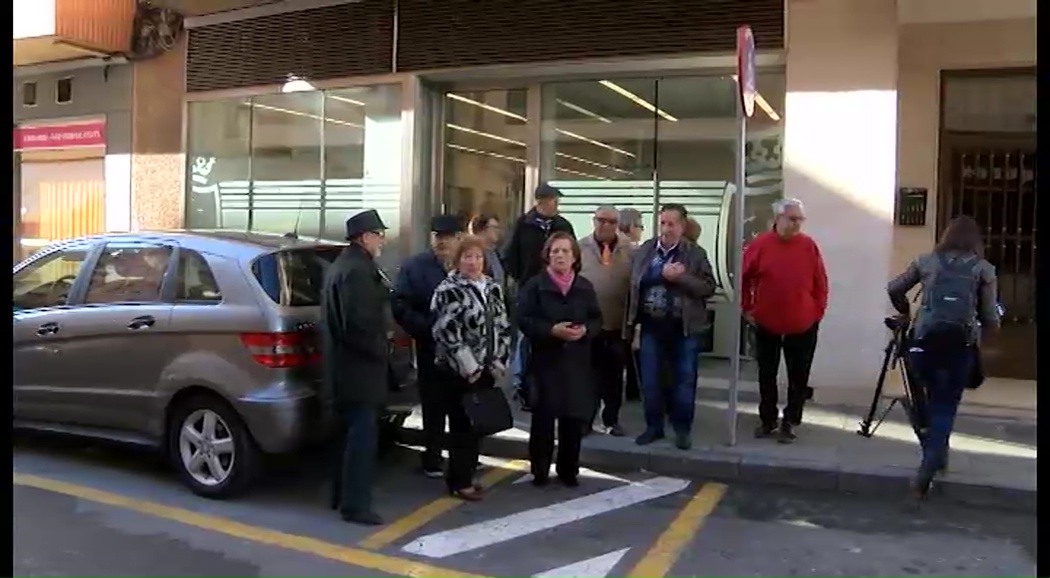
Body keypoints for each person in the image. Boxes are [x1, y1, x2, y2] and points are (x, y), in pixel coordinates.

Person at [887, 215, 999, 498]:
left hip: (924, 341)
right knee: (946, 405)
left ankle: (936, 453)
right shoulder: (983, 269)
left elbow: (894, 287)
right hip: (959, 345)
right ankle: (929, 463)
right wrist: (992, 321)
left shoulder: (926, 262)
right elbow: (990, 318)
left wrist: (906, 311)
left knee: (927, 397)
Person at [320, 209, 391, 526]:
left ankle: (341, 496)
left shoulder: (345, 266)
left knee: (346, 438)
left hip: (344, 370)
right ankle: (356, 505)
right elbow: (359, 326)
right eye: (378, 234)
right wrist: (382, 351)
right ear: (364, 237)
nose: (382, 241)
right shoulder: (358, 272)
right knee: (361, 441)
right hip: (359, 371)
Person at [625, 204, 717, 450]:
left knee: (684, 380)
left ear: (682, 226)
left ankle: (682, 429)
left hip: (683, 328)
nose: (665, 229)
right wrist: (660, 273)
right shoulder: (646, 250)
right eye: (662, 223)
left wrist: (681, 278)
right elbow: (635, 280)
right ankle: (653, 427)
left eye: (671, 224)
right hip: (652, 326)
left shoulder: (695, 253)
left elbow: (708, 287)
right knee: (650, 381)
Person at [430, 235, 513, 501]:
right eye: (468, 257)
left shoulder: (492, 287)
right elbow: (446, 332)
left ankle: (466, 476)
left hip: (486, 367)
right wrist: (469, 366)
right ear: (457, 260)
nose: (473, 262)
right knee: (461, 427)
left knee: (477, 426)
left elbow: (502, 324)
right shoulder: (448, 290)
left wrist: (499, 360)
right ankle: (458, 481)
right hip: (457, 372)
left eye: (478, 257)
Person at [517, 232, 602, 487]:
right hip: (545, 361)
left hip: (577, 363)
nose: (560, 256)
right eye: (555, 251)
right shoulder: (534, 285)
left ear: (574, 256)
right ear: (547, 256)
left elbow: (597, 319)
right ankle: (539, 471)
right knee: (543, 419)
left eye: (565, 251)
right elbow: (524, 319)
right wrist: (551, 330)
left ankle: (569, 470)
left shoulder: (584, 287)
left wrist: (586, 330)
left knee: (572, 419)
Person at [741, 198, 829, 444]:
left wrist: (817, 311)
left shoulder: (808, 245)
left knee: (798, 376)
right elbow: (743, 278)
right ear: (777, 218)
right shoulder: (760, 245)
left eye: (800, 219)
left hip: (802, 323)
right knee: (766, 374)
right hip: (767, 321)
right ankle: (767, 419)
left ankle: (790, 421)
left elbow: (820, 281)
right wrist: (747, 308)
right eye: (792, 219)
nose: (797, 224)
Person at [391, 214, 464, 478]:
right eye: (437, 236)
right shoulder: (415, 266)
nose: (442, 242)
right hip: (430, 347)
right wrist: (426, 328)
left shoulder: (470, 262)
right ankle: (432, 457)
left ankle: (463, 457)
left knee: (462, 406)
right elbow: (400, 305)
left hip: (464, 352)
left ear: (459, 238)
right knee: (434, 405)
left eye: (447, 236)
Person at [502, 183, 576, 410]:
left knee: (554, 334)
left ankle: (555, 386)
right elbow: (510, 256)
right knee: (527, 338)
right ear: (541, 201)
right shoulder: (523, 225)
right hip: (529, 287)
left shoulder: (562, 225)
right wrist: (522, 278)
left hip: (557, 288)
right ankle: (523, 386)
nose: (556, 205)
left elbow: (574, 253)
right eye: (553, 200)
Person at [578, 206, 634, 437]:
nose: (605, 225)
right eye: (601, 220)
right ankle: (585, 420)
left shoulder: (630, 250)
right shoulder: (580, 247)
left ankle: (611, 420)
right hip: (589, 326)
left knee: (613, 378)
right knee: (587, 377)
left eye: (611, 221)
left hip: (617, 325)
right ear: (594, 221)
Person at [617, 208, 645, 402]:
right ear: (631, 226)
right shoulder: (632, 251)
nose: (642, 230)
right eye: (641, 226)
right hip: (624, 310)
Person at [470, 213, 505, 288]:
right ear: (481, 230)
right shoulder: (474, 253)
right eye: (494, 227)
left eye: (498, 228)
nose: (497, 231)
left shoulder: (495, 253)